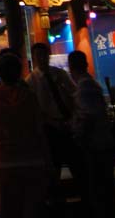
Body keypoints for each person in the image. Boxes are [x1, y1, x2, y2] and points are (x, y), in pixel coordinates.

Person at [0, 49, 49, 218]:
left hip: (6, 161)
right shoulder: (29, 96)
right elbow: (40, 132)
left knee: (9, 210)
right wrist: (49, 164)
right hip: (33, 160)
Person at [26, 41, 78, 215]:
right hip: (48, 127)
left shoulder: (60, 74)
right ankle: (56, 202)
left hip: (67, 123)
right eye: (37, 56)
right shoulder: (31, 81)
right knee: (52, 168)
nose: (41, 59)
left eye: (43, 55)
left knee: (75, 164)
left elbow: (73, 95)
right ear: (33, 58)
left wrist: (71, 118)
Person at [67, 49, 115, 217]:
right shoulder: (92, 84)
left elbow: (87, 116)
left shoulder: (84, 87)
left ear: (71, 67)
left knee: (99, 187)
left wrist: (78, 135)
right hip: (102, 142)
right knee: (105, 187)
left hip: (95, 144)